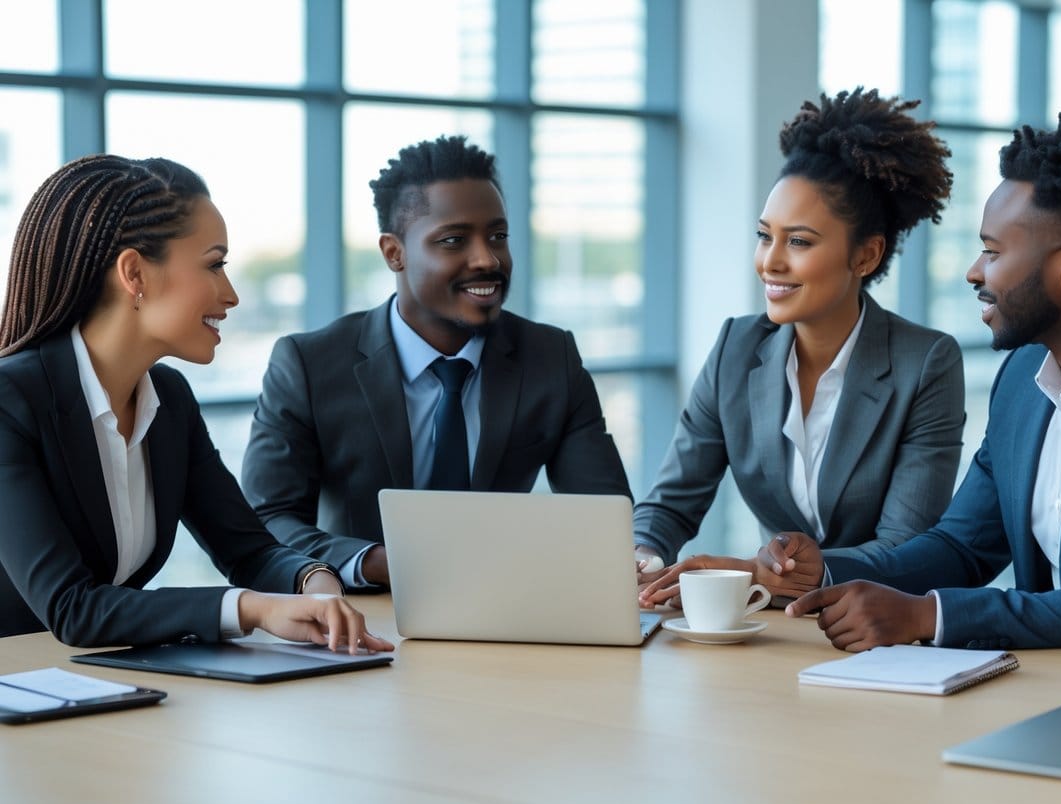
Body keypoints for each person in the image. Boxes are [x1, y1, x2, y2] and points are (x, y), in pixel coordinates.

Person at [769, 111, 1061, 651]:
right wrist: (818, 573)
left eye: (994, 251)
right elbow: (962, 547)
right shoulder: (1023, 378)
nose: (974, 272)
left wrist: (929, 617)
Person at [0, 154, 393, 653]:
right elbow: (72, 609)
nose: (230, 295)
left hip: (102, 687)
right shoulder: (11, 401)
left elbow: (248, 549)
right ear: (135, 274)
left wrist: (313, 584)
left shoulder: (170, 400)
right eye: (215, 264)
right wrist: (252, 608)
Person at [241, 135, 631, 589]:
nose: (487, 259)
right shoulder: (309, 365)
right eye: (454, 240)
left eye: (498, 236)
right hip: (359, 617)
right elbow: (266, 521)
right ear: (394, 252)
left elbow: (605, 518)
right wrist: (377, 563)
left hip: (506, 611)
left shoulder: (551, 357)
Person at [637, 88, 965, 605]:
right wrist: (644, 558)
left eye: (800, 242)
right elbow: (669, 506)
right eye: (765, 236)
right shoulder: (735, 348)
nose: (771, 261)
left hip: (883, 631)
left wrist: (754, 573)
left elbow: (908, 546)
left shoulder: (925, 363)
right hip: (776, 632)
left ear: (866, 256)